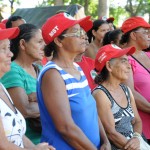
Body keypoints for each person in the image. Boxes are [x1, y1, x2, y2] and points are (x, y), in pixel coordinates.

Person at [37, 12, 110, 150]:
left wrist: (105, 140)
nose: (84, 36)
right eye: (76, 33)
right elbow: (65, 127)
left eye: (83, 32)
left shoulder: (76, 67)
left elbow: (91, 109)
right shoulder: (53, 74)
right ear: (59, 41)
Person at [0, 23, 55, 150]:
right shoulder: (13, 71)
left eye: (8, 48)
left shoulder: (2, 87)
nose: (10, 54)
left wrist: (35, 148)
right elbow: (25, 109)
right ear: (23, 44)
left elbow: (17, 133)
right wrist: (53, 103)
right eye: (3, 49)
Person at [92, 44, 142, 149]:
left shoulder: (126, 90)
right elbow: (111, 133)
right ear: (109, 66)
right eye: (123, 61)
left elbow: (137, 120)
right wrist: (136, 147)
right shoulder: (100, 94)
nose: (129, 66)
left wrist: (137, 138)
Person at [120, 16, 150, 143]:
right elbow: (129, 91)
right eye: (145, 32)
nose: (149, 35)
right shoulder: (124, 58)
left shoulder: (148, 54)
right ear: (133, 35)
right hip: (143, 127)